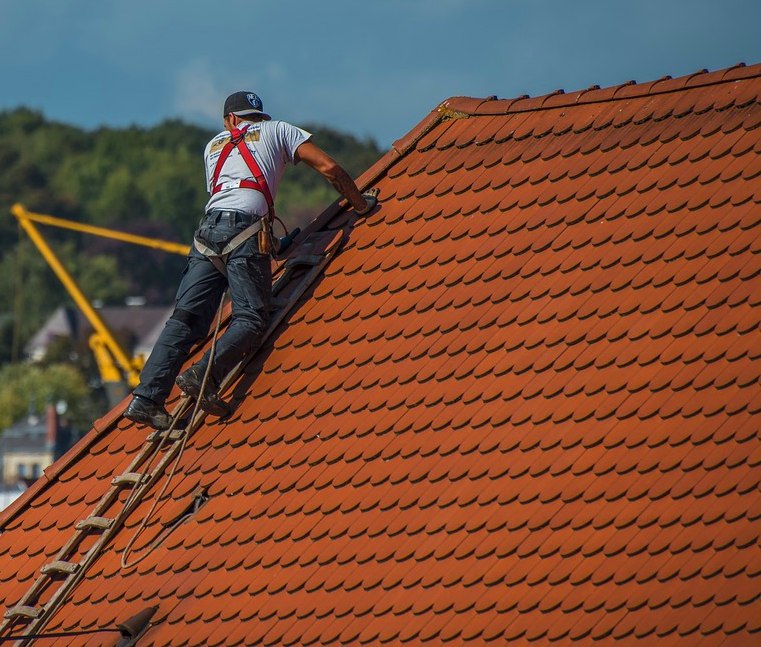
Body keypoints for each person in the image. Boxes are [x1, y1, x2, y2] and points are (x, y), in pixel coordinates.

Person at [125, 90, 378, 430]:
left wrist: (268, 244)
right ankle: (203, 375)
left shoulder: (213, 146)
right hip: (244, 230)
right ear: (259, 116)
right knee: (251, 318)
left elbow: (230, 195)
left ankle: (146, 399)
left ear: (230, 120)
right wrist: (360, 204)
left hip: (206, 234)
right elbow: (329, 167)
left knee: (184, 320)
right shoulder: (278, 129)